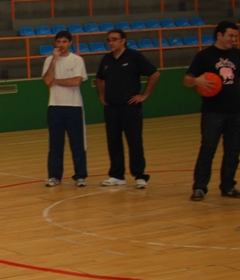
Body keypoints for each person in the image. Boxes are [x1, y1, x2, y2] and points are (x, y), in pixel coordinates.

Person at [183, 21, 240, 201]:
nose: (233, 39)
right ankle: (200, 188)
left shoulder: (237, 54)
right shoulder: (205, 56)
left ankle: (228, 186)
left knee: (233, 151)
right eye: (230, 36)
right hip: (213, 112)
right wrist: (197, 81)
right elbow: (187, 80)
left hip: (235, 112)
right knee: (208, 149)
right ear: (219, 35)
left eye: (235, 36)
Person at [94, 28, 160, 189]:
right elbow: (99, 79)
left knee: (135, 142)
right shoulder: (106, 59)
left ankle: (139, 175)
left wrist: (144, 95)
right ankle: (117, 175)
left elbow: (154, 74)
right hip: (111, 108)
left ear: (123, 41)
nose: (111, 42)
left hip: (130, 107)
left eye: (114, 39)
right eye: (109, 39)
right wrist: (102, 96)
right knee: (114, 142)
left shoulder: (134, 56)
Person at [41, 31, 89, 187]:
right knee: (55, 143)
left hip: (74, 107)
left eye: (64, 42)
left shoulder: (77, 60)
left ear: (70, 43)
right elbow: (48, 81)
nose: (61, 45)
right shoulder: (49, 60)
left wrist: (57, 81)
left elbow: (76, 82)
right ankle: (55, 176)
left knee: (77, 143)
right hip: (55, 106)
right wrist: (54, 61)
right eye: (58, 42)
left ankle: (80, 176)